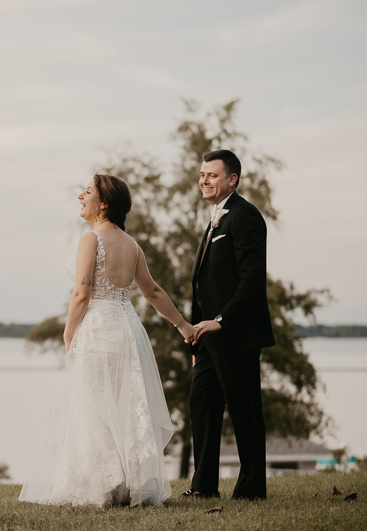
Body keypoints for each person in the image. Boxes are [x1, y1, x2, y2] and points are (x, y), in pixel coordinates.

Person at [19, 174, 196, 507]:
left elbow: (82, 291)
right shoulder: (132, 244)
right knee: (124, 406)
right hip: (127, 330)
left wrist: (69, 332)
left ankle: (99, 486)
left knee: (95, 407)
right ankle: (128, 486)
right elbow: (153, 291)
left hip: (98, 329)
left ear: (103, 203)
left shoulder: (91, 239)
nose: (79, 196)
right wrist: (183, 326)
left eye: (87, 191)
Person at [185, 149, 275, 501]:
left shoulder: (245, 216)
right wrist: (196, 336)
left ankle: (252, 490)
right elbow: (203, 284)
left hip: (236, 334)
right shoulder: (215, 219)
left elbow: (251, 282)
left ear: (232, 179)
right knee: (201, 405)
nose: (203, 180)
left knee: (245, 413)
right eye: (202, 174)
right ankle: (204, 486)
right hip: (206, 340)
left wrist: (220, 322)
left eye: (211, 175)